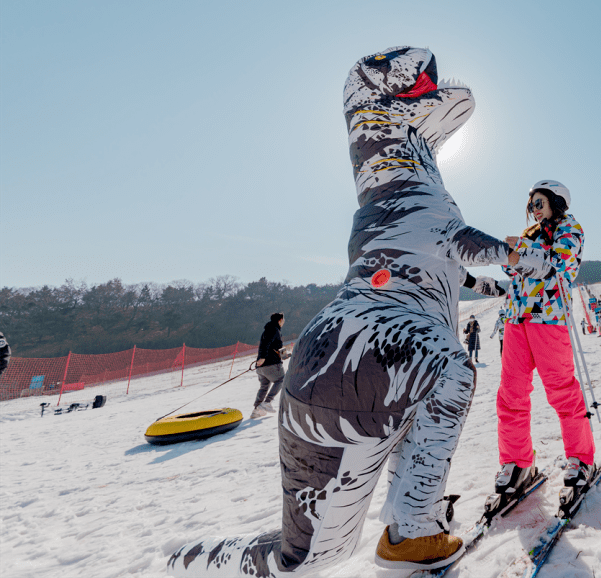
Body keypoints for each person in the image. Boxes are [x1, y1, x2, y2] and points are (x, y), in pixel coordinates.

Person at [168, 47, 520, 576]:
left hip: (331, 361)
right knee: (448, 370)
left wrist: (486, 284)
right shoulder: (409, 197)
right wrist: (522, 255)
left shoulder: (390, 199)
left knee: (306, 557)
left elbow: (440, 258)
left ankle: (188, 560)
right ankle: (413, 527)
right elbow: (454, 239)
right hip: (360, 356)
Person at [495, 180, 595, 509]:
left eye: (540, 203)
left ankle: (581, 458)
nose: (535, 210)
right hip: (518, 317)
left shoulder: (569, 228)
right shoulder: (527, 235)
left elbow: (559, 267)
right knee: (510, 393)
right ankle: (517, 461)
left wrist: (521, 254)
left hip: (547, 315)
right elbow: (514, 270)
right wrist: (507, 254)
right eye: (532, 205)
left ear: (556, 202)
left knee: (561, 390)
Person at [250, 312, 288, 419]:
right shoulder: (274, 329)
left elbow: (275, 347)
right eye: (283, 319)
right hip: (270, 364)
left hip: (262, 367)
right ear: (280, 320)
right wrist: (262, 357)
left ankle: (256, 410)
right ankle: (267, 402)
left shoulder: (270, 329)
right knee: (281, 380)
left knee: (264, 386)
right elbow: (265, 344)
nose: (284, 321)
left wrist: (285, 355)